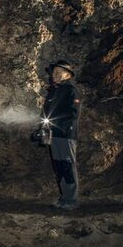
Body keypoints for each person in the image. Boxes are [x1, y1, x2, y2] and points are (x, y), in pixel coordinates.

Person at [42, 60, 81, 210]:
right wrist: (42, 130)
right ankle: (65, 198)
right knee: (59, 166)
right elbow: (47, 113)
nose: (55, 75)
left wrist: (60, 127)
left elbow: (73, 114)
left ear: (67, 75)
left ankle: (72, 200)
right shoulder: (53, 91)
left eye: (59, 72)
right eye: (54, 72)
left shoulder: (71, 90)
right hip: (54, 135)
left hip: (66, 135)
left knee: (67, 166)